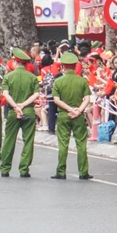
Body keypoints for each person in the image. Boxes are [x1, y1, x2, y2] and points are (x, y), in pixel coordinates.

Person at [51, 50, 92, 180]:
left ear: (62, 66)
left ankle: (61, 171)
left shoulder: (58, 82)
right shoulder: (82, 81)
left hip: (64, 115)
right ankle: (83, 172)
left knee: (63, 144)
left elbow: (56, 100)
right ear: (75, 66)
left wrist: (69, 109)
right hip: (78, 116)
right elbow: (87, 99)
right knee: (81, 144)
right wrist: (78, 111)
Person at [0, 48, 40, 178]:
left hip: (13, 111)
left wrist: (16, 106)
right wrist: (23, 105)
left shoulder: (8, 76)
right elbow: (36, 94)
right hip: (28, 111)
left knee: (9, 139)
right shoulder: (32, 77)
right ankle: (24, 169)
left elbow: (5, 94)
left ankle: (5, 168)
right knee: (28, 140)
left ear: (15, 61)